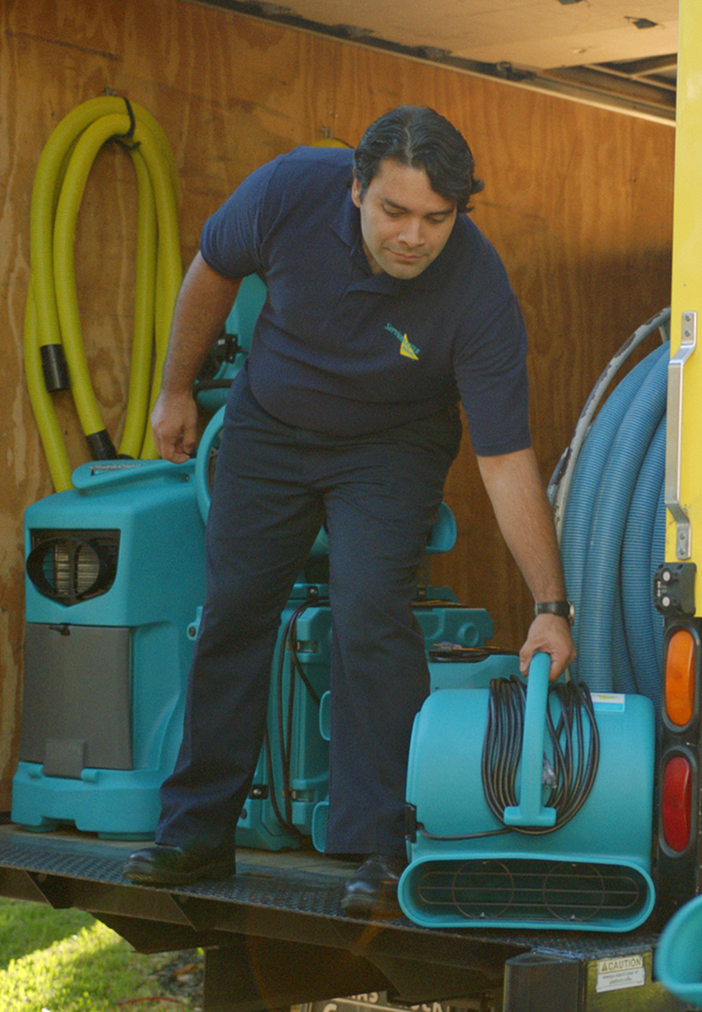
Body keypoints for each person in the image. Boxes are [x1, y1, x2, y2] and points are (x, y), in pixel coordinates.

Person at [121, 106, 575, 918]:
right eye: (395, 211)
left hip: (392, 447)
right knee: (233, 611)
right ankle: (196, 832)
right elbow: (214, 268)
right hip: (271, 426)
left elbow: (506, 460)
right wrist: (175, 389)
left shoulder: (478, 289)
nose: (413, 236)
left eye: (437, 218)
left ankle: (383, 847)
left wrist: (550, 605)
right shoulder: (289, 190)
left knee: (370, 613)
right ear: (356, 188)